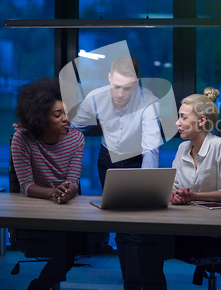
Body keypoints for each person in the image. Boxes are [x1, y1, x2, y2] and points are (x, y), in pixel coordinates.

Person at [70, 55, 162, 290]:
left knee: (136, 227)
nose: (120, 93)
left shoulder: (148, 101)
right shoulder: (96, 97)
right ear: (109, 78)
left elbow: (151, 146)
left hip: (136, 160)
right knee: (120, 225)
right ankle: (130, 280)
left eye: (127, 88)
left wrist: (147, 187)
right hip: (108, 160)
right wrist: (35, 126)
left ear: (137, 82)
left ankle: (137, 282)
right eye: (116, 86)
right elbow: (72, 126)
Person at [139, 87, 221, 290]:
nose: (177, 122)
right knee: (146, 242)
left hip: (213, 233)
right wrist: (174, 195)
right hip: (185, 225)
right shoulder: (182, 149)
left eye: (183, 117)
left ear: (201, 121)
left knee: (149, 244)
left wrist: (195, 196)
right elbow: (175, 185)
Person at [10, 77, 85, 290]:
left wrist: (67, 192)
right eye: (57, 114)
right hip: (35, 210)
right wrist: (53, 192)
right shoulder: (21, 139)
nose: (65, 119)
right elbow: (26, 186)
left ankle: (39, 286)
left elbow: (73, 180)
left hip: (66, 208)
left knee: (71, 247)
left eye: (65, 112)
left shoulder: (76, 138)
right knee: (65, 248)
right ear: (40, 118)